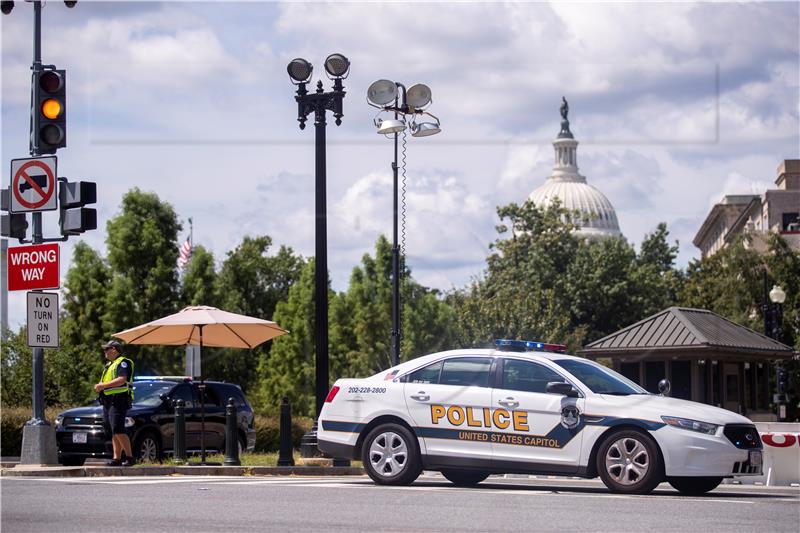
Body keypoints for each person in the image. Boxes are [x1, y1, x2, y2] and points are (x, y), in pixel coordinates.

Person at [94, 340, 135, 466]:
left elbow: (121, 380)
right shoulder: (109, 365)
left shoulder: (123, 362)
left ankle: (129, 457)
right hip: (108, 401)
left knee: (118, 429)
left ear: (114, 350)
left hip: (118, 399)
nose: (104, 352)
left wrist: (102, 386)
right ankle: (116, 458)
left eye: (107, 349)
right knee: (113, 430)